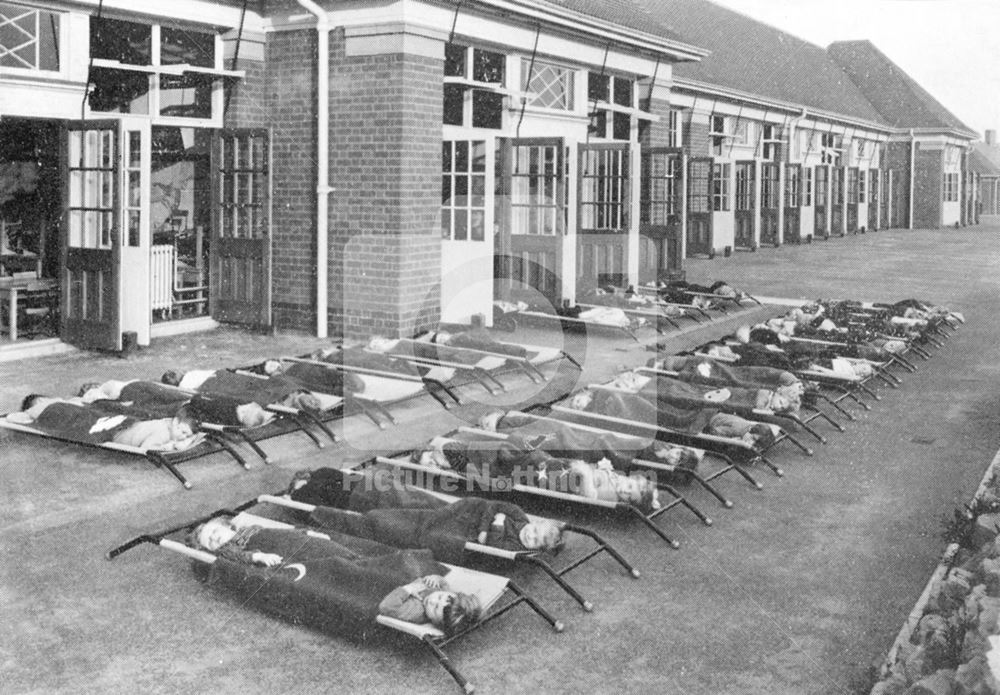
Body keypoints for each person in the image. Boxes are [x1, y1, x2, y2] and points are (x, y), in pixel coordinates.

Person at [190, 517, 481, 636]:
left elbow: (283, 535)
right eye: (210, 541)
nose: (216, 539)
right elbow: (233, 557)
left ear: (228, 525)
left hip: (297, 545)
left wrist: (304, 534)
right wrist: (254, 556)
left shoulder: (248, 529)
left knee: (338, 555)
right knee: (342, 560)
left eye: (216, 531)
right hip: (279, 552)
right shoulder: (231, 549)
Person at [287, 467, 564, 555]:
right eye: (537, 531)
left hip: (446, 524)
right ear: (537, 522)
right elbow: (489, 505)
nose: (531, 536)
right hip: (455, 510)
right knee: (394, 491)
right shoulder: (518, 516)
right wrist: (491, 520)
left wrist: (488, 525)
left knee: (382, 508)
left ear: (535, 549)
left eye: (536, 542)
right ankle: (320, 476)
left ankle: (301, 492)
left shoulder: (511, 545)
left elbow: (487, 538)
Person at [568, 389, 776, 451]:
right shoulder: (739, 430)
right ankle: (614, 402)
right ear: (753, 433)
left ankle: (614, 401)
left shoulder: (742, 427)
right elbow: (713, 433)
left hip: (705, 416)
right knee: (663, 414)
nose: (749, 443)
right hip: (698, 419)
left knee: (659, 409)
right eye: (752, 440)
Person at [15, 394, 201, 451]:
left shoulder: (70, 402)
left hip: (116, 423)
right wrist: (173, 445)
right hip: (117, 425)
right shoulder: (44, 406)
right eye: (184, 432)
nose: (183, 435)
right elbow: (149, 449)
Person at [161, 368, 322, 413]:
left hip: (219, 377)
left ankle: (294, 395)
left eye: (173, 372)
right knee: (243, 392)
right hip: (214, 383)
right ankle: (290, 397)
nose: (173, 373)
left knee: (262, 384)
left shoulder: (194, 373)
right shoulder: (186, 383)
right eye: (171, 375)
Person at [377, 574, 482, 636]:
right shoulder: (447, 597)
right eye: (440, 597)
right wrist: (436, 578)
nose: (432, 600)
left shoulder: (415, 611)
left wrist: (408, 589)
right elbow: (444, 585)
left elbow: (386, 606)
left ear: (435, 622)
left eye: (435, 608)